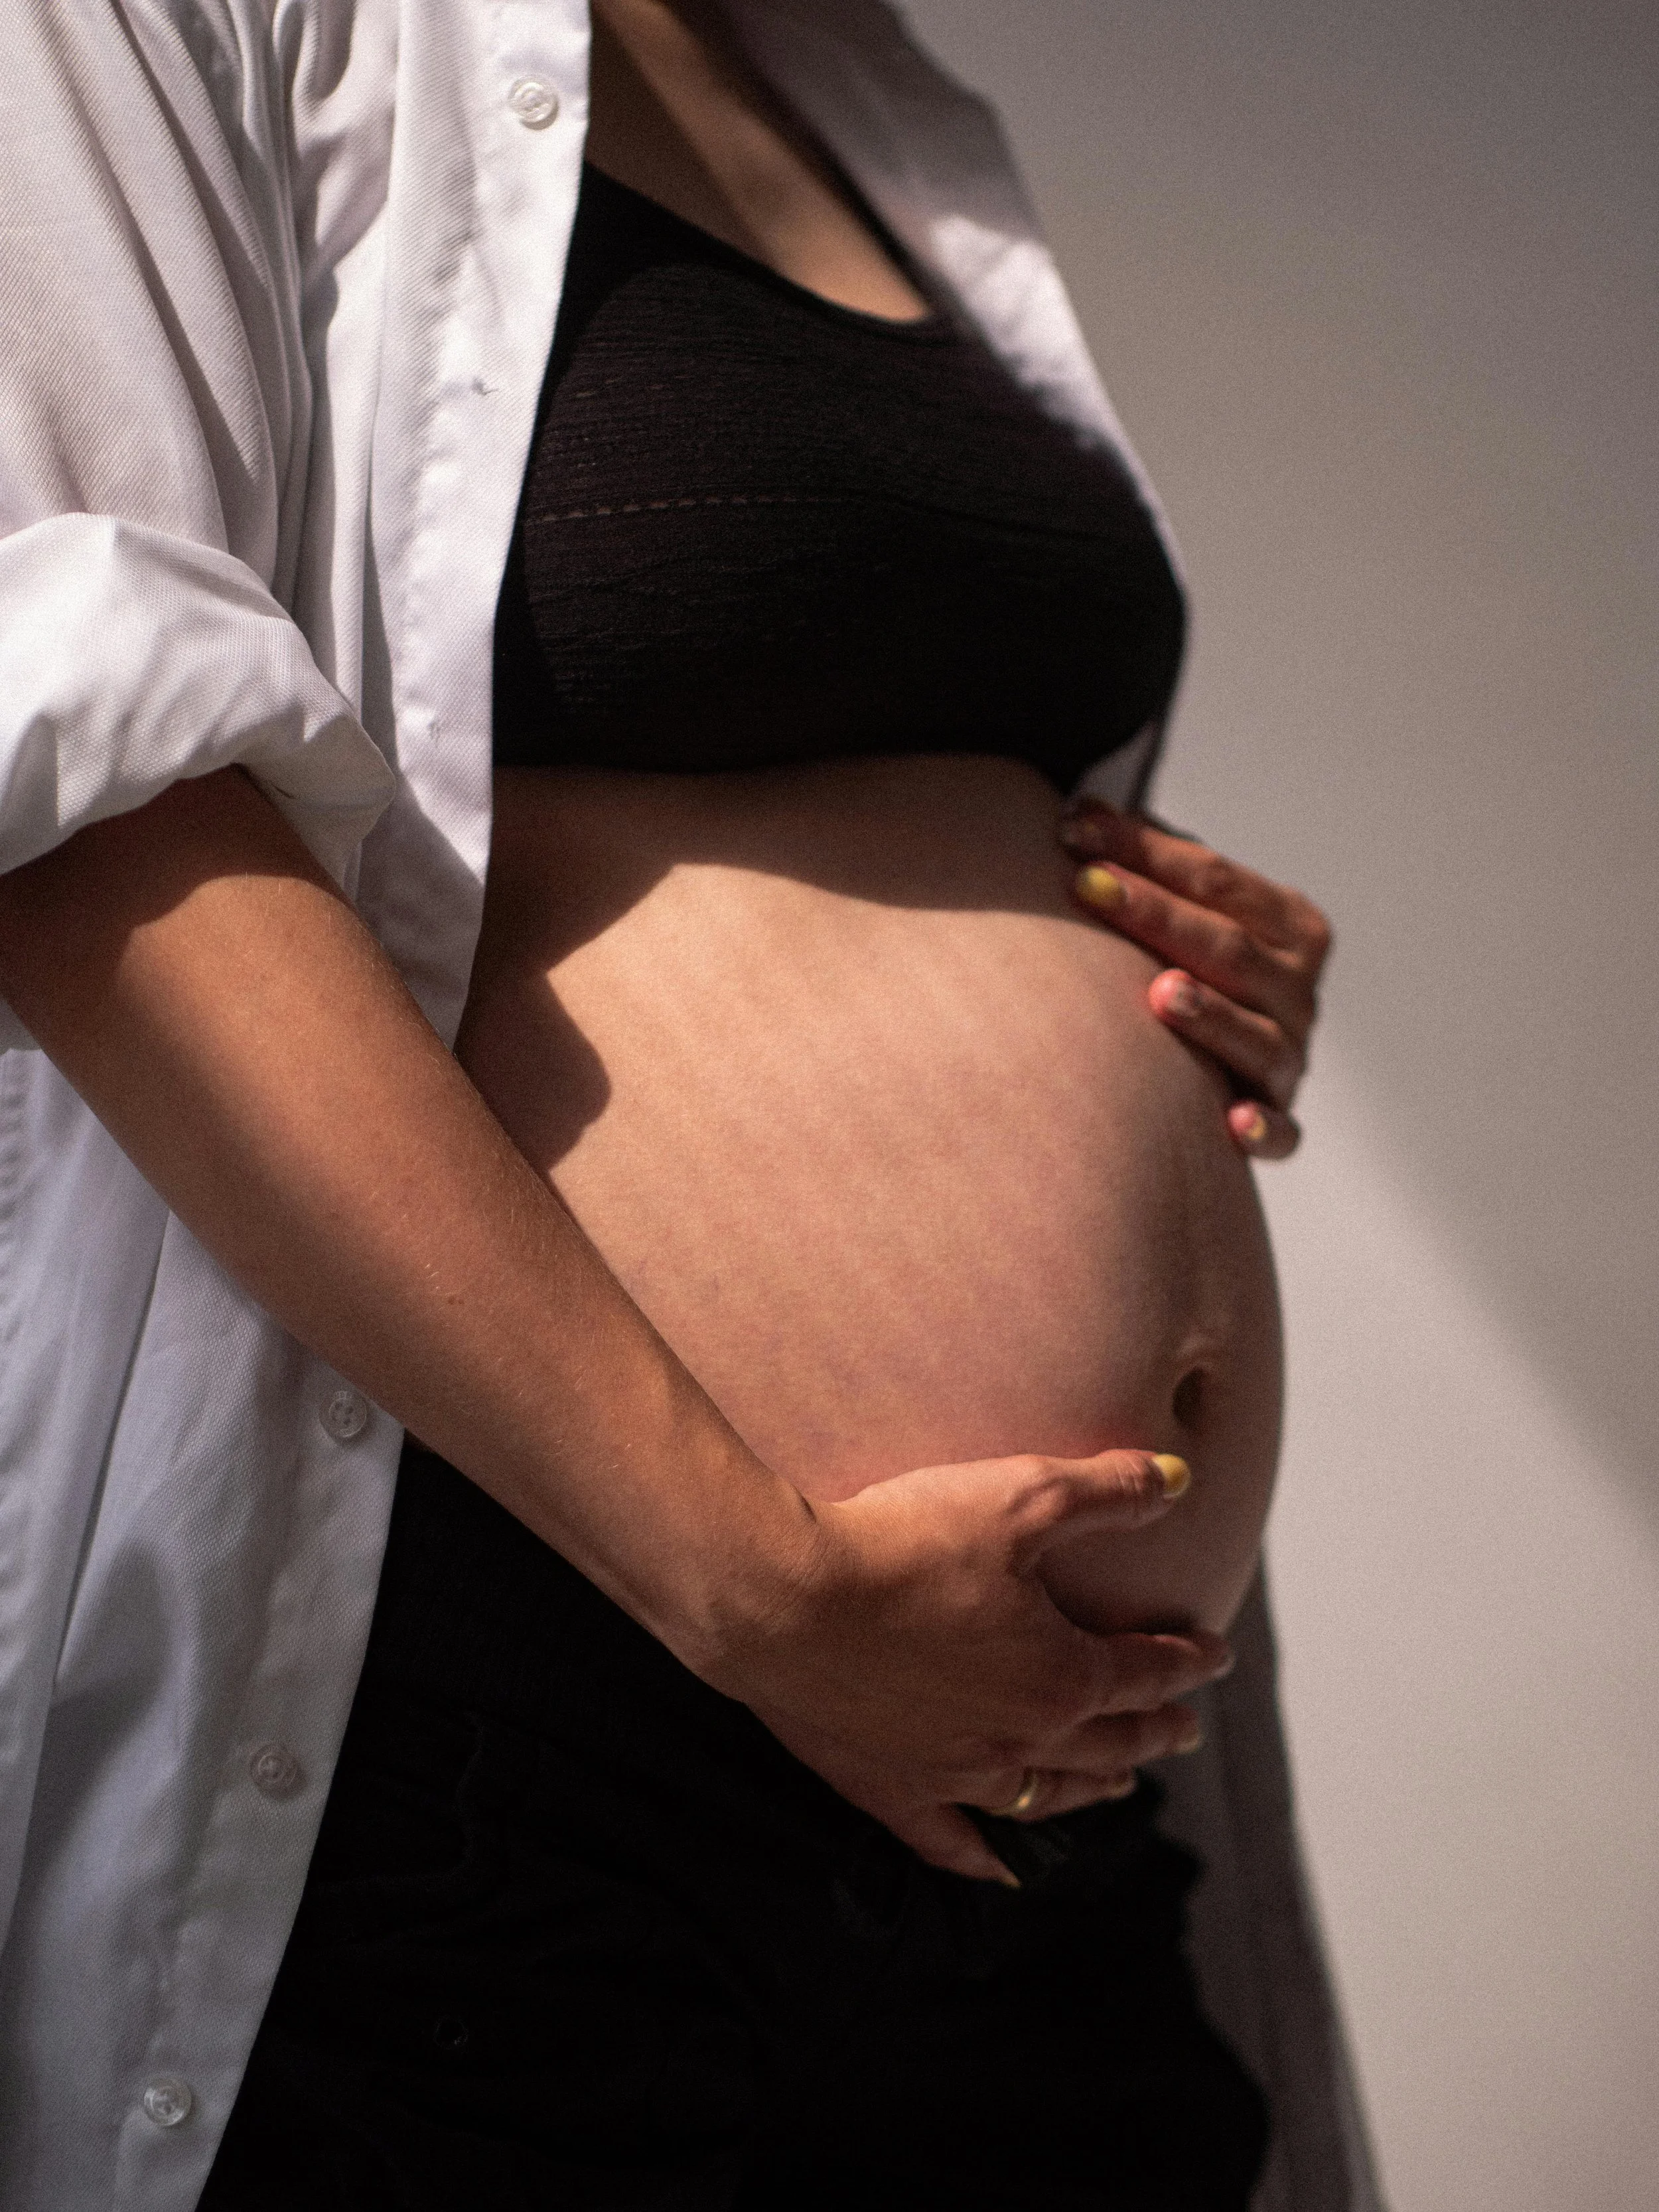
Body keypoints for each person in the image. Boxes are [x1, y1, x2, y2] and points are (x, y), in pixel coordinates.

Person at [0, 3, 1366, 2207]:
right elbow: (72, 785)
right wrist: (749, 1585)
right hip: (519, 1689)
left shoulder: (852, 81)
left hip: (1024, 1768)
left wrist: (1145, 933)